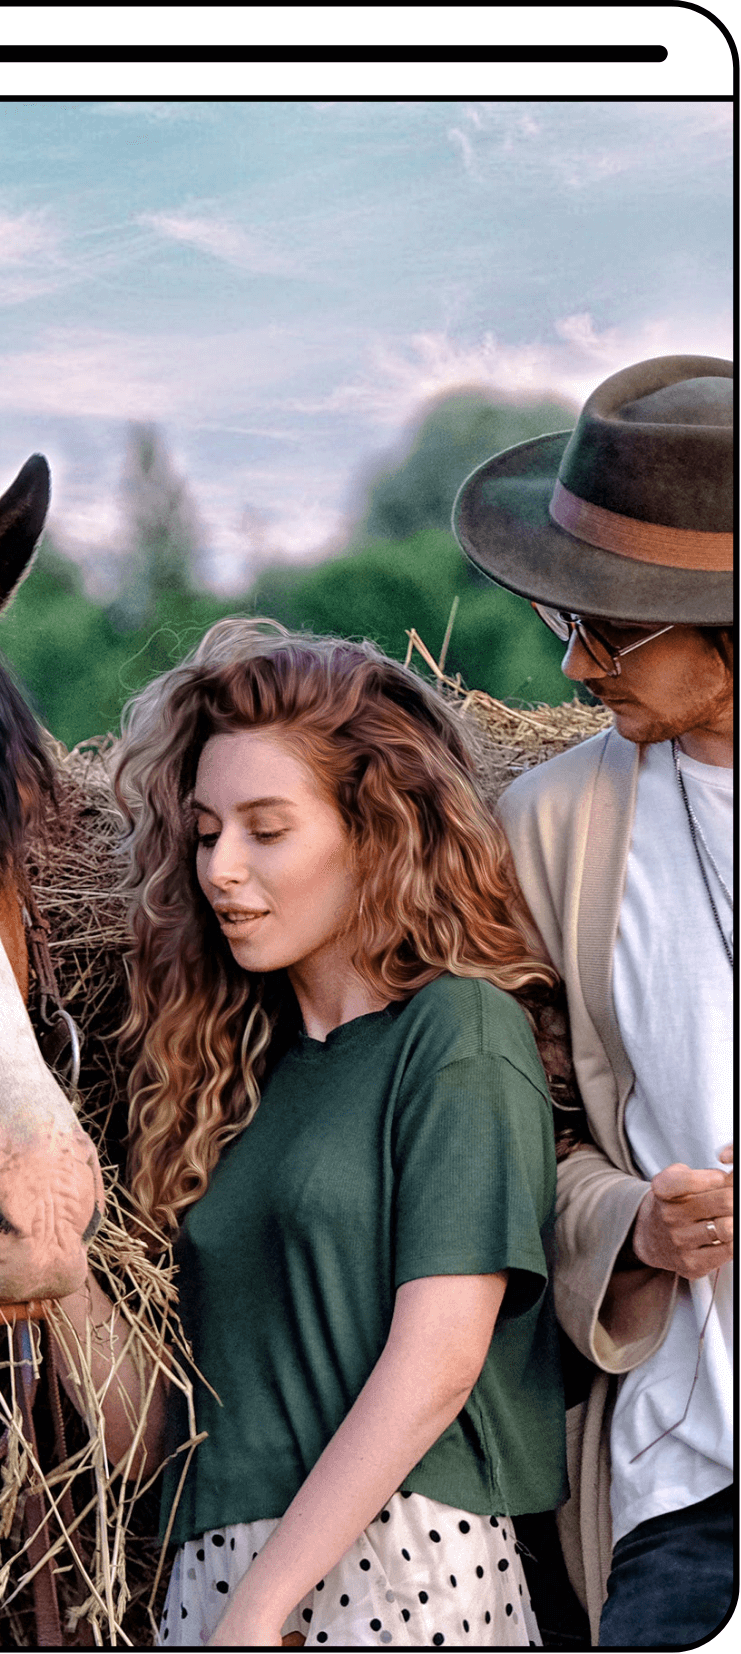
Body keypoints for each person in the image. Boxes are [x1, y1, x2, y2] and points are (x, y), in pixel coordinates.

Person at [54, 618, 567, 1647]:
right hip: (216, 1579)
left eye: (265, 828)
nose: (220, 870)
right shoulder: (230, 1087)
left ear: (373, 828)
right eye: (204, 834)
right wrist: (56, 1269)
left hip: (405, 1568)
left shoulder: (458, 1033)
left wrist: (260, 1604)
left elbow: (436, 1368)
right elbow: (166, 1441)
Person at [452, 354, 734, 1647]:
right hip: (689, 1476)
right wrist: (634, 1223)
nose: (570, 665)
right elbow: (524, 1133)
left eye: (606, 625)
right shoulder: (551, 824)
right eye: (560, 619)